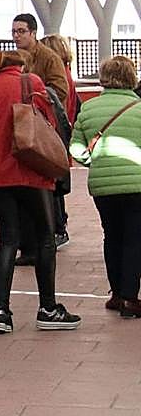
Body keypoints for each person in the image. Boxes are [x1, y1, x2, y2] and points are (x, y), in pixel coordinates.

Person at [0, 49, 80, 334]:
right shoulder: (32, 83)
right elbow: (48, 120)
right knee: (45, 237)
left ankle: (1, 311)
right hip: (30, 169)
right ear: (20, 65)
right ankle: (48, 308)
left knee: (8, 240)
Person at [68, 55, 141, 318]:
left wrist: (95, 163)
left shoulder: (89, 109)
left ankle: (117, 293)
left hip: (102, 187)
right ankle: (131, 298)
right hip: (137, 184)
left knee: (112, 236)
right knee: (134, 239)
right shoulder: (139, 107)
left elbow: (76, 148)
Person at [40, 33, 80, 248]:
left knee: (53, 182)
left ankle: (58, 225)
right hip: (63, 133)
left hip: (54, 133)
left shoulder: (58, 79)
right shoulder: (67, 74)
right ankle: (59, 223)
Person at [12, 13, 68, 107]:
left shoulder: (50, 58)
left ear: (33, 33)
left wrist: (33, 96)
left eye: (21, 31)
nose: (16, 35)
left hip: (45, 115)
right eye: (13, 31)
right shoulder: (13, 58)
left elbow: (60, 91)